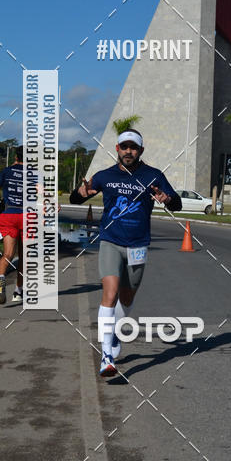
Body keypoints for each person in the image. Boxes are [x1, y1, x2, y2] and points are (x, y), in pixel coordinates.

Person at [69, 129, 182, 376]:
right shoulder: (104, 176)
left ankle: (115, 332)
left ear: (140, 151)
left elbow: (177, 204)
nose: (128, 151)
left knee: (127, 297)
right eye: (124, 147)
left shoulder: (153, 175)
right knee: (109, 294)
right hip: (110, 241)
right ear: (117, 149)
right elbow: (76, 199)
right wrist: (81, 193)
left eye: (133, 148)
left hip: (138, 246)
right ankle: (106, 354)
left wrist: (167, 199)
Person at [0, 146, 25, 305]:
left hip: (8, 215)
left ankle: (1, 278)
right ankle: (18, 291)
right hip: (27, 216)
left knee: (8, 254)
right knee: (24, 256)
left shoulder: (6, 171)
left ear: (15, 156)